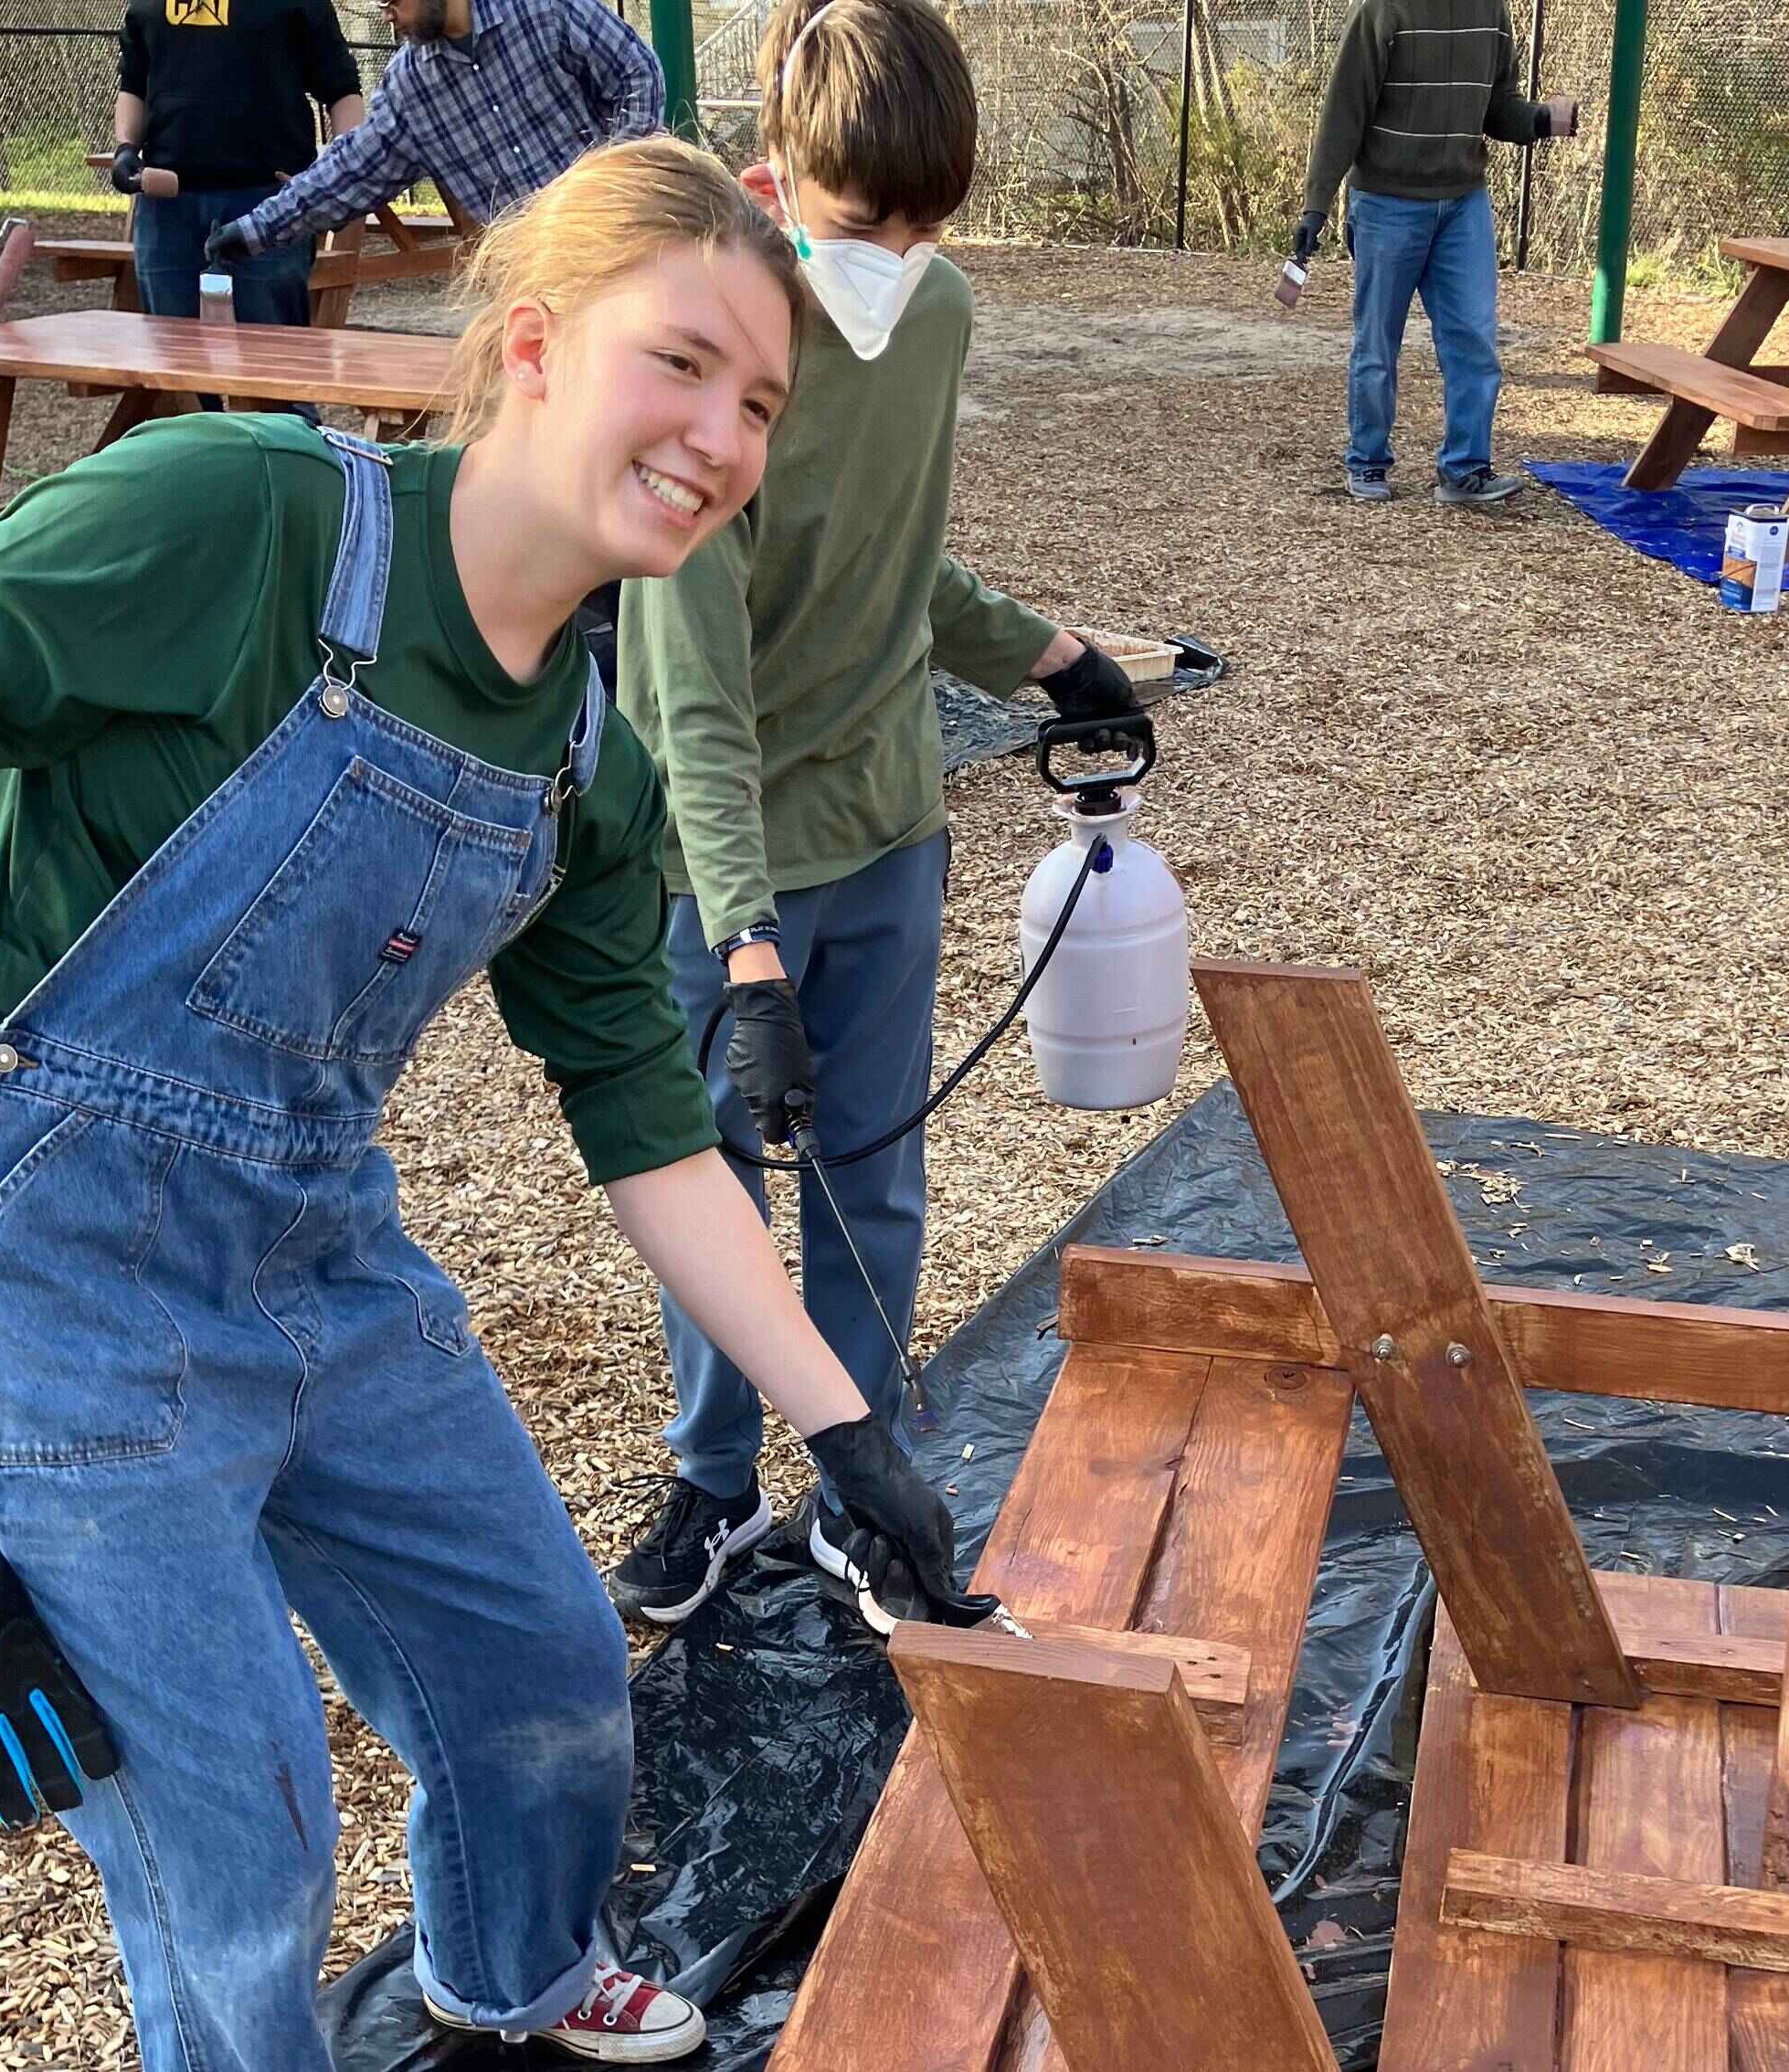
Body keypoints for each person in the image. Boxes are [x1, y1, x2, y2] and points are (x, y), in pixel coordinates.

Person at [0, 137, 968, 2070]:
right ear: (530, 347)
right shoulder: (244, 517)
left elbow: (650, 1122)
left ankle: (508, 1969)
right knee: (235, 1818)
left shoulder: (594, 752)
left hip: (306, 1235)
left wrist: (852, 1438)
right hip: (32, 1252)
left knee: (546, 1670)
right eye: (681, 362)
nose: (722, 433)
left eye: (759, 401)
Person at [605, 0, 1145, 1633]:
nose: (892, 259)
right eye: (858, 226)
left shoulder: (935, 314)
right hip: (714, 857)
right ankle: (707, 1479)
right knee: (711, 1179)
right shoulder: (713, 356)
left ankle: (856, 1481)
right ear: (772, 182)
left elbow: (893, 555)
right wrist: (745, 943)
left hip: (886, 822)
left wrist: (1050, 656)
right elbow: (687, 687)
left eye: (924, 228)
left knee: (871, 1170)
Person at [1294, 0, 1578, 506]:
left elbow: (1497, 108)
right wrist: (1317, 204)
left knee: (1474, 336)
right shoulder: (1384, 13)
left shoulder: (1491, 13)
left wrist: (1538, 120)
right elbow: (1343, 112)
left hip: (1464, 200)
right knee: (1379, 340)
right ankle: (1368, 460)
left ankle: (1465, 470)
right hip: (1387, 201)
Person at [200, 0, 663, 278]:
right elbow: (346, 173)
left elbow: (636, 71)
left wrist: (617, 183)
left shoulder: (544, 11)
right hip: (534, 273)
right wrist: (252, 231)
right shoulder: (410, 88)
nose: (388, 17)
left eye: (391, 0)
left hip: (623, 246)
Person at [112, 0, 365, 325]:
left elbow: (343, 90)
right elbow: (133, 84)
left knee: (271, 358)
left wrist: (340, 180)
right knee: (171, 358)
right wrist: (125, 149)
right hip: (168, 205)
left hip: (271, 205)